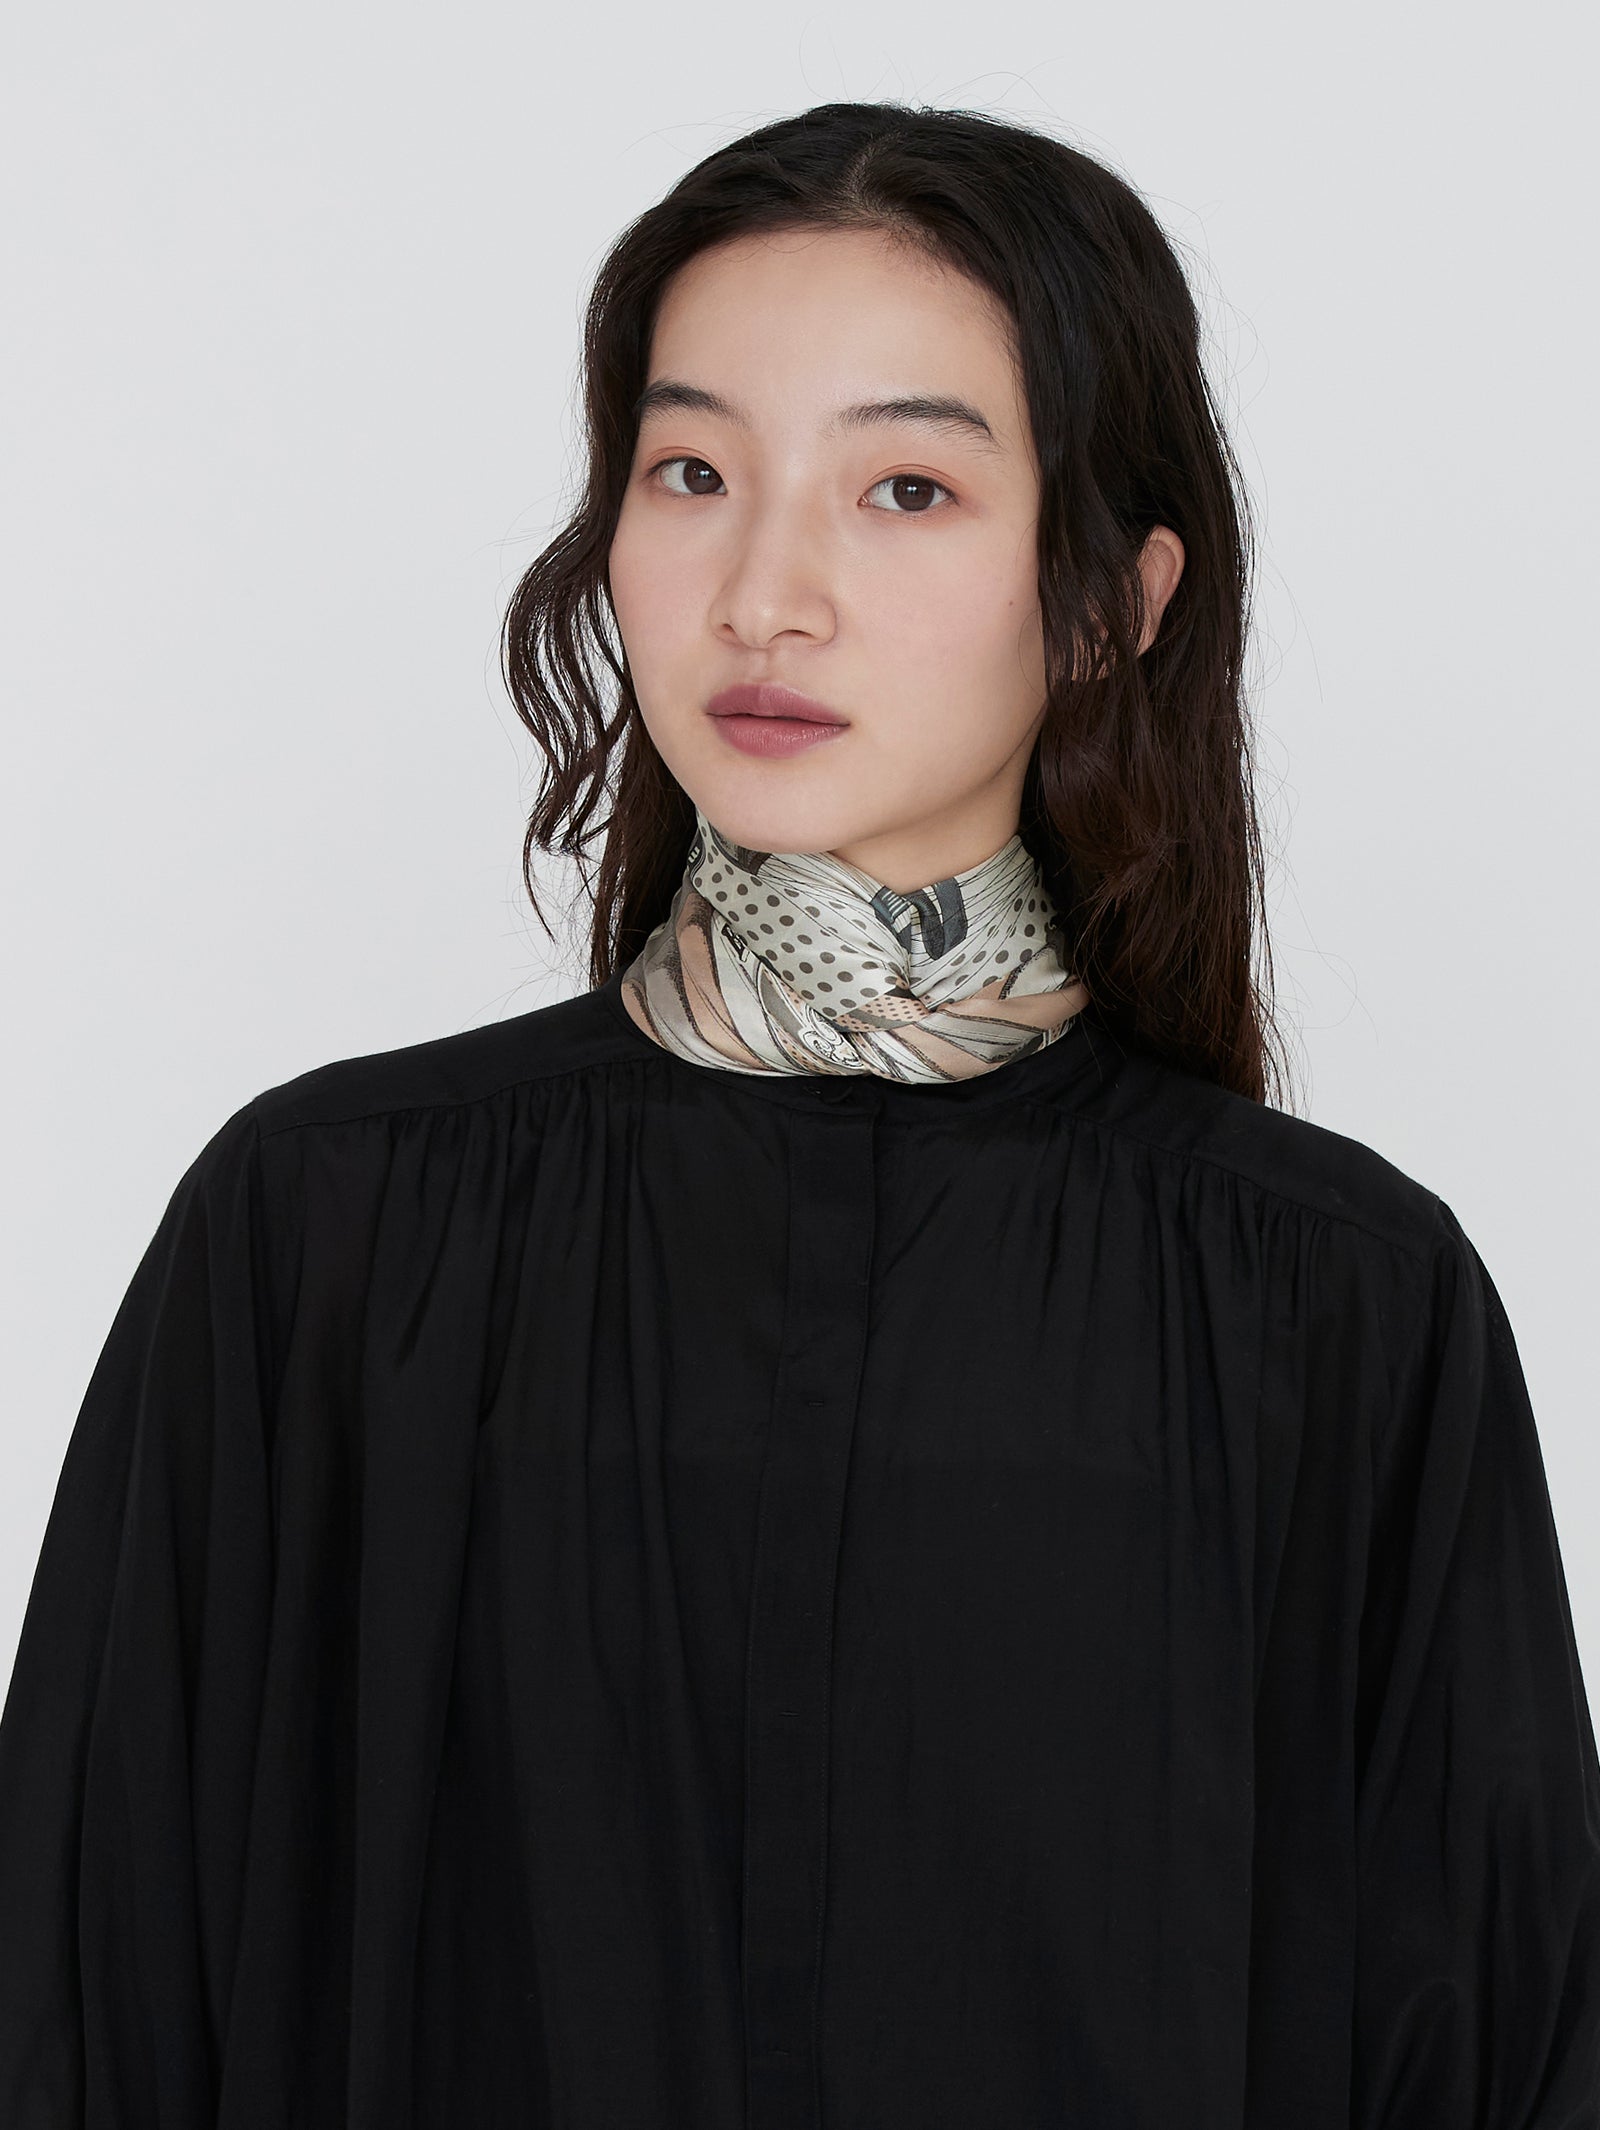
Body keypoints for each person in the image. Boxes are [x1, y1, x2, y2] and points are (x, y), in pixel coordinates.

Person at [1, 99, 1596, 2130]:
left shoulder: (1334, 1303)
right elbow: (85, 2002)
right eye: (692, 472)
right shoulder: (323, 1237)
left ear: (1112, 599)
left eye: (905, 488)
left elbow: (1497, 2052)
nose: (764, 591)